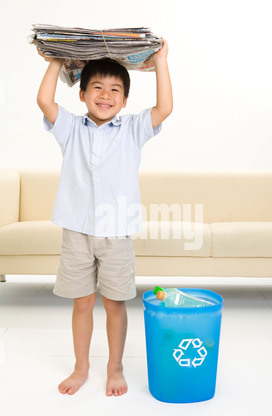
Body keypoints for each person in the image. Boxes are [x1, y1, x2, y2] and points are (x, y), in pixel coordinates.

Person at [36, 41, 173, 397]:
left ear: (125, 100)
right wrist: (55, 61)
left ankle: (115, 366)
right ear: (82, 94)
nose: (106, 95)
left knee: (114, 304)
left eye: (115, 90)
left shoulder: (132, 129)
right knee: (82, 302)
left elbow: (165, 107)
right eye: (97, 87)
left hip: (117, 234)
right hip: (77, 231)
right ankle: (81, 366)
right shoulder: (71, 128)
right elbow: (45, 102)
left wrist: (160, 63)